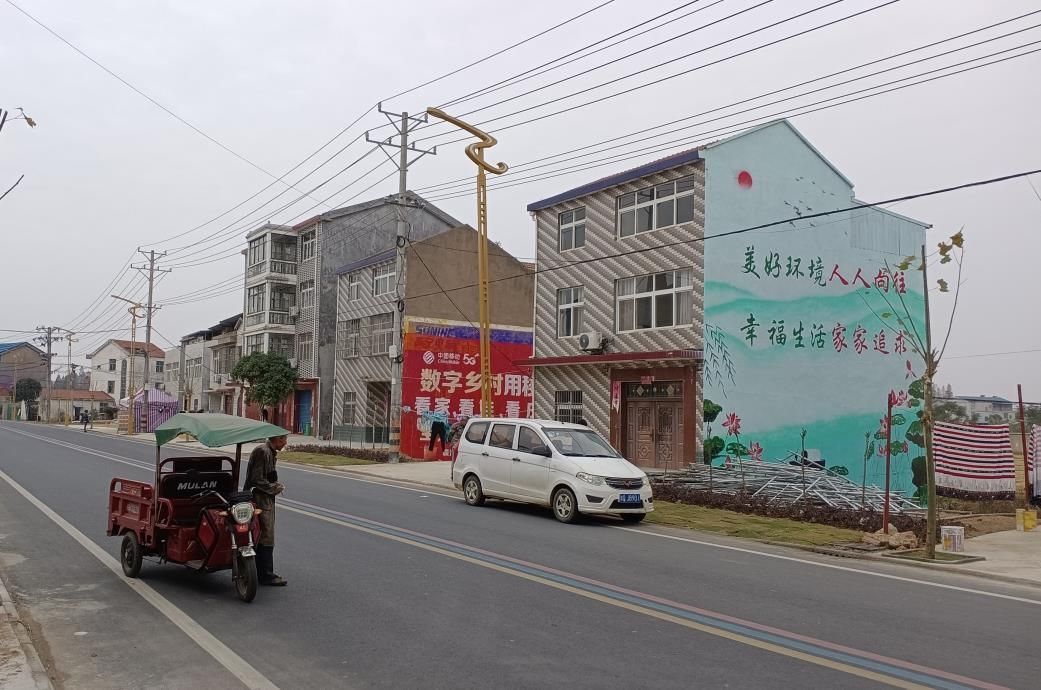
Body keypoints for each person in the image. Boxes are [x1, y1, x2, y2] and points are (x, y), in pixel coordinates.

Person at [243, 434, 288, 586]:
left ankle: (261, 572)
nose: (285, 443)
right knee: (265, 534)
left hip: (265, 497)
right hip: (260, 498)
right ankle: (265, 574)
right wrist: (275, 487)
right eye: (284, 440)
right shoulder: (263, 452)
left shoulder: (269, 452)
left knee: (265, 534)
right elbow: (257, 479)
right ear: (277, 440)